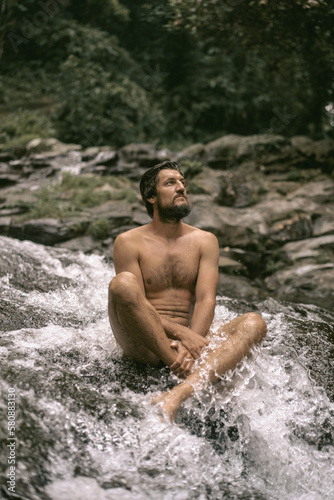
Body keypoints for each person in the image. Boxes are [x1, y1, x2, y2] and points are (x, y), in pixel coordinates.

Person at [108, 160, 267, 422]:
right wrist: (180, 337)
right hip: (145, 342)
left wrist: (193, 341)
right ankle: (176, 363)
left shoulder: (205, 241)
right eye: (171, 183)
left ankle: (177, 395)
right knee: (122, 283)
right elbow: (134, 301)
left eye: (183, 182)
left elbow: (206, 298)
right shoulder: (128, 241)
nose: (181, 188)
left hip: (192, 338)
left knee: (254, 322)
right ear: (151, 197)